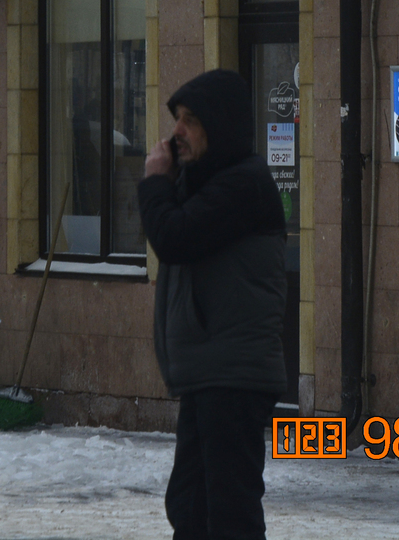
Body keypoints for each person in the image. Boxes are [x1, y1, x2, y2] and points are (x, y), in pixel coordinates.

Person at [137, 69, 287, 540]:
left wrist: (157, 182)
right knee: (190, 505)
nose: (176, 131)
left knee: (228, 513)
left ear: (218, 127)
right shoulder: (213, 182)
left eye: (189, 121)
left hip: (233, 374)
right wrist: (174, 178)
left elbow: (173, 237)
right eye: (176, 119)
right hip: (211, 372)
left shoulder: (245, 185)